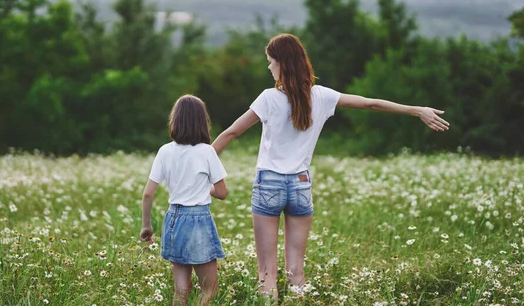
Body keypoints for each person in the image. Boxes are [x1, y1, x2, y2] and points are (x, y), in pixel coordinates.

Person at [211, 33, 450, 301]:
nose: (269, 67)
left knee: (266, 273)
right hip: (301, 185)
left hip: (269, 183)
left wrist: (202, 163)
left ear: (282, 63)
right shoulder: (322, 96)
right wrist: (416, 110)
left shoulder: (268, 98)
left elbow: (231, 133)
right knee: (296, 272)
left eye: (270, 61)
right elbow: (370, 103)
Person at [140, 94, 229, 306]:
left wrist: (147, 227)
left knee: (181, 290)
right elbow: (222, 192)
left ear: (175, 121)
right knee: (209, 288)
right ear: (202, 122)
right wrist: (205, 188)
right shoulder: (206, 152)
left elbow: (147, 194)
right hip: (198, 220)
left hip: (174, 218)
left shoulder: (165, 151)